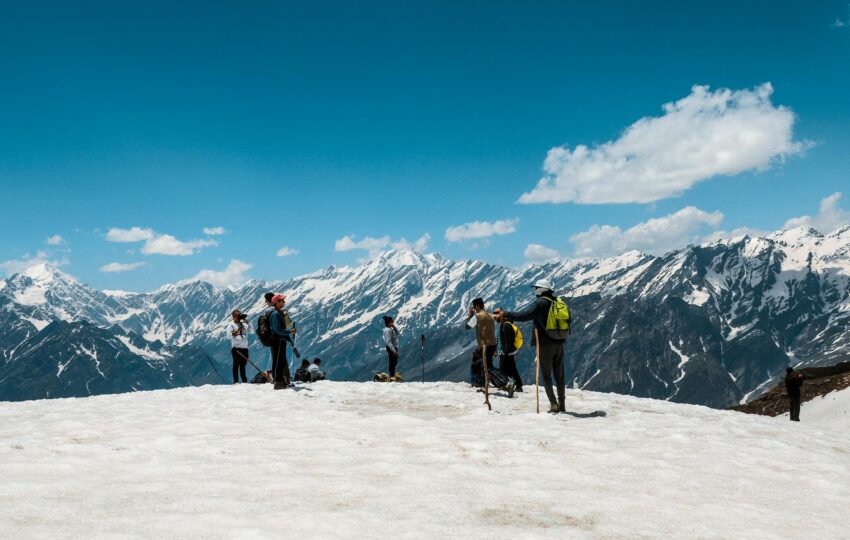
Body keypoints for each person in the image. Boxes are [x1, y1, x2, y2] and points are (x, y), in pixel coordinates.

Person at [494, 279, 570, 414]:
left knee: (546, 375)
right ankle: (562, 404)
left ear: (541, 289)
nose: (534, 290)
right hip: (559, 342)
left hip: (545, 343)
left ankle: (553, 404)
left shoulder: (540, 303)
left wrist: (506, 314)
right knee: (560, 375)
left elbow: (525, 315)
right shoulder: (557, 301)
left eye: (536, 288)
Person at [465, 298, 498, 389]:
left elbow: (467, 326)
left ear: (478, 306)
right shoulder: (489, 315)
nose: (474, 309)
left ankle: (479, 382)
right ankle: (491, 382)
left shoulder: (477, 316)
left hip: (485, 344)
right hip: (493, 343)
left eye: (474, 307)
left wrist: (470, 315)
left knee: (479, 363)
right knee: (488, 364)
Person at [269, 294, 296, 389]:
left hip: (280, 340)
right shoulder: (276, 314)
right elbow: (277, 329)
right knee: (278, 361)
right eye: (282, 301)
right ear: (276, 302)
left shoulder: (279, 313)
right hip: (278, 340)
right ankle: (278, 381)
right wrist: (289, 332)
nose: (284, 302)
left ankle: (280, 380)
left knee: (280, 361)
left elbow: (284, 326)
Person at [494, 311, 523, 393]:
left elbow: (508, 342)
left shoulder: (506, 326)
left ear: (502, 317)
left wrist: (505, 353)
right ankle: (508, 385)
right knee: (507, 369)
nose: (495, 317)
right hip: (507, 352)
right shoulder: (505, 325)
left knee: (510, 369)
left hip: (507, 353)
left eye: (497, 316)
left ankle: (517, 385)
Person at [226, 309, 252, 384]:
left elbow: (252, 331)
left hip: (245, 348)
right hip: (236, 349)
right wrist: (237, 331)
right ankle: (236, 381)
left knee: (243, 365)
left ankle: (244, 381)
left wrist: (248, 323)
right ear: (233, 317)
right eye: (237, 316)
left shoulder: (244, 325)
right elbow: (228, 336)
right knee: (236, 365)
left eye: (239, 316)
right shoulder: (231, 325)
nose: (239, 318)